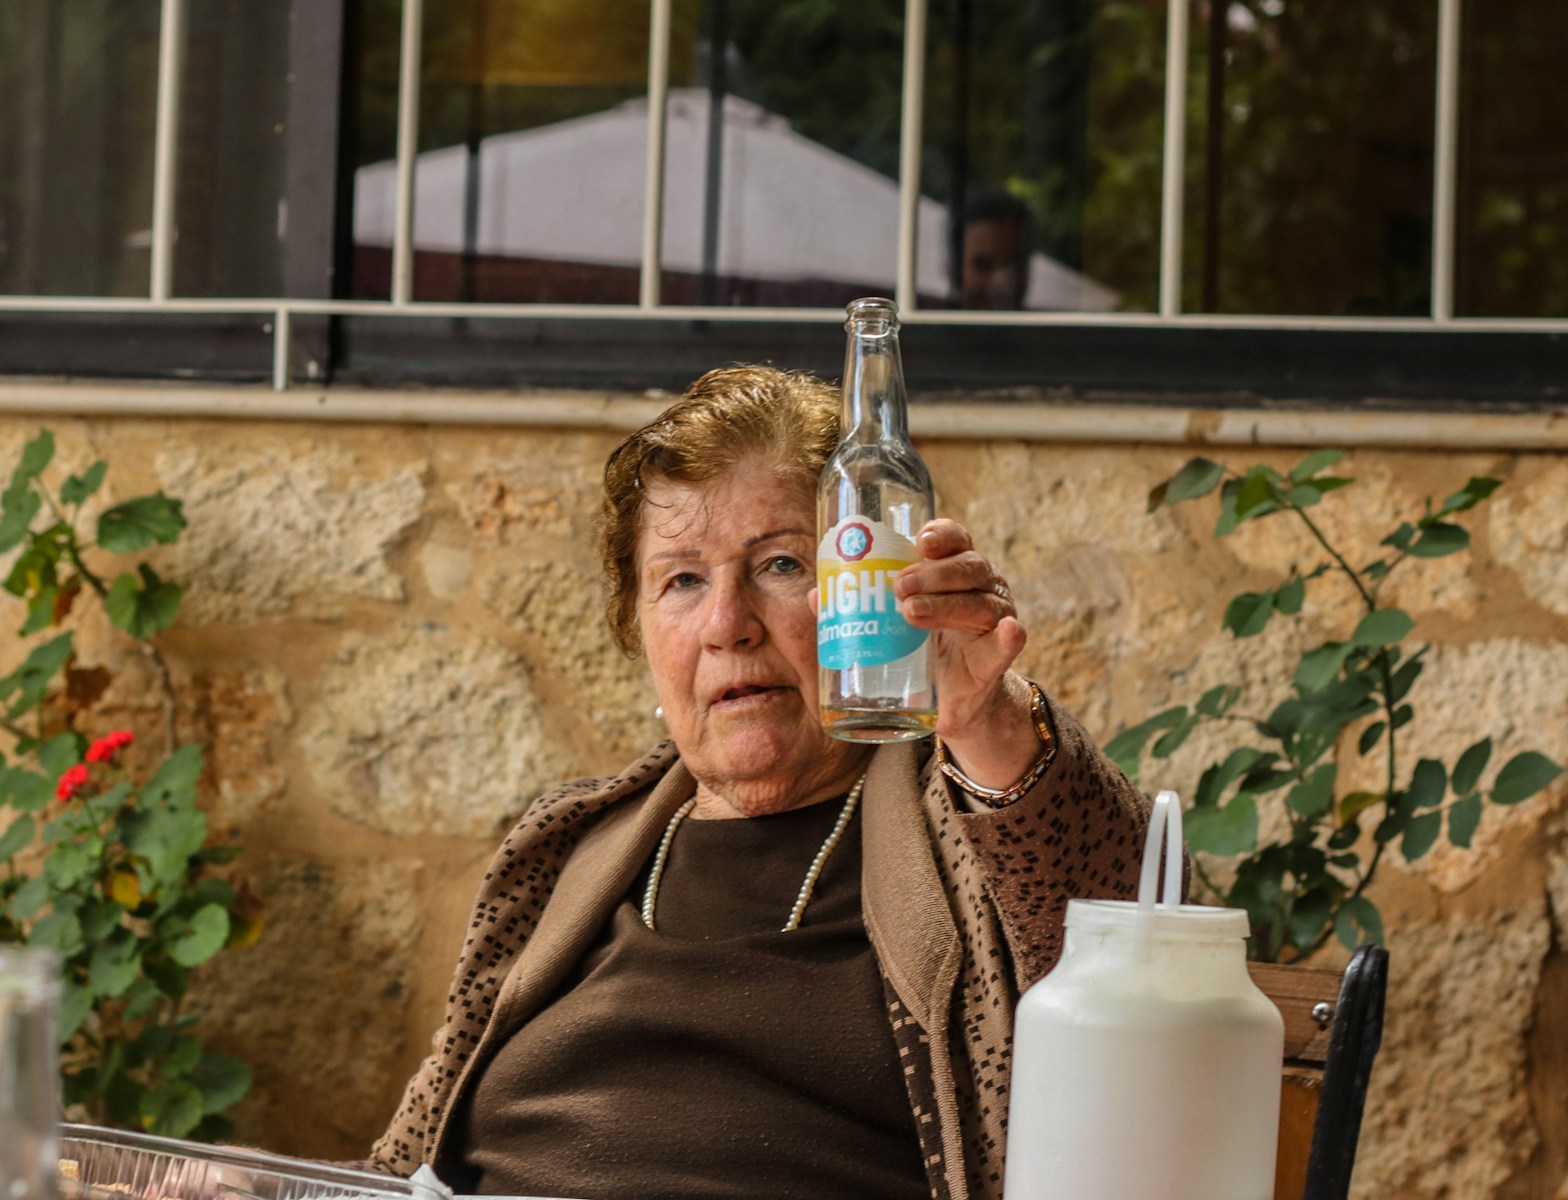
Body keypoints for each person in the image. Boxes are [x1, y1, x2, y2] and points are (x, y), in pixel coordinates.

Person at [368, 366, 1150, 1200]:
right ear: (637, 627)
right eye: (682, 580)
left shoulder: (970, 819)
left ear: (870, 595)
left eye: (779, 563)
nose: (725, 625)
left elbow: (1130, 944)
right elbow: (402, 1160)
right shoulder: (567, 846)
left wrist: (986, 722)